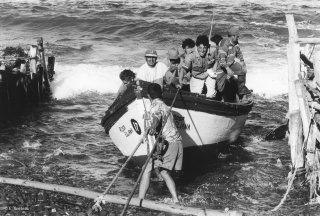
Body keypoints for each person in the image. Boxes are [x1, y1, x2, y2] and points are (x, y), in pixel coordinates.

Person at [139, 83, 183, 204]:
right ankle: (175, 199)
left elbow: (156, 118)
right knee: (163, 171)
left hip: (168, 143)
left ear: (148, 96)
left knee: (146, 169)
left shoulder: (155, 105)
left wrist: (152, 127)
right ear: (161, 94)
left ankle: (140, 200)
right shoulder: (165, 105)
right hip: (176, 142)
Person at [215, 26, 252, 102]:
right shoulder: (224, 44)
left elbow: (239, 54)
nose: (238, 38)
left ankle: (242, 91)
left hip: (230, 65)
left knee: (243, 70)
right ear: (232, 36)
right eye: (237, 36)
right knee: (220, 88)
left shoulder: (236, 44)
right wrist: (227, 70)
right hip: (222, 68)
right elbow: (222, 61)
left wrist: (242, 62)